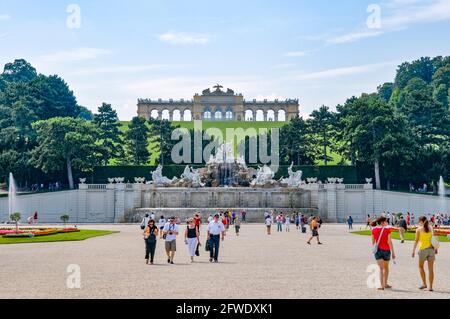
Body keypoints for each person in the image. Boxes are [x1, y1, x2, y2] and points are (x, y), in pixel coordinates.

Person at [412, 216, 438, 292]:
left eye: (419, 221)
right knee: (431, 269)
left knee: (420, 267)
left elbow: (416, 241)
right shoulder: (431, 228)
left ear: (421, 221)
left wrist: (413, 250)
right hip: (431, 250)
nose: (418, 222)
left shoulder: (418, 229)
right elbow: (435, 238)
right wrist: (436, 248)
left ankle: (424, 284)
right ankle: (430, 287)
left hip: (423, 250)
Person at [371, 217, 396, 290]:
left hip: (378, 250)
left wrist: (374, 248)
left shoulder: (374, 229)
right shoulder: (387, 230)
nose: (387, 222)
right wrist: (393, 252)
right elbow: (389, 242)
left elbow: (373, 241)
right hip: (386, 250)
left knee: (380, 268)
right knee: (386, 267)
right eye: (386, 221)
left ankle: (381, 286)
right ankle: (385, 283)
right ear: (382, 222)